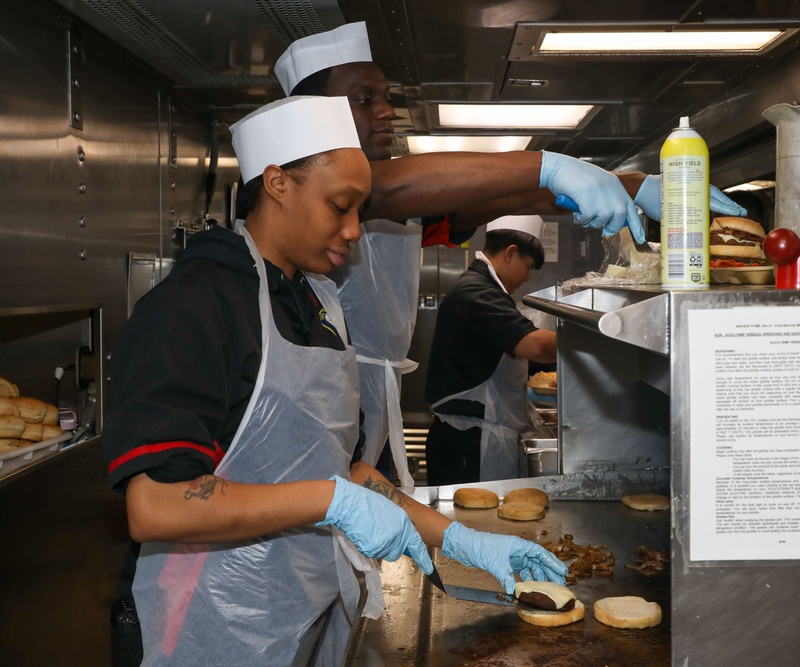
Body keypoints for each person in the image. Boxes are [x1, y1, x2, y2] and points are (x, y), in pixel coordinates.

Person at [102, 96, 566, 666]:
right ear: (277, 183)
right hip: (205, 623)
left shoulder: (315, 300)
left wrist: (461, 539)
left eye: (359, 211)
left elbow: (344, 469)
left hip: (299, 608)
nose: (352, 231)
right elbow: (157, 505)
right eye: (340, 206)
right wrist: (333, 501)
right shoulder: (196, 306)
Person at [272, 22, 749, 491]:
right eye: (364, 99)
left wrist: (631, 184)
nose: (386, 111)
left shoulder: (405, 203)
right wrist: (551, 165)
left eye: (386, 96)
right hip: (318, 404)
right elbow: (387, 190)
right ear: (317, 114)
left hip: (371, 402)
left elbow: (518, 197)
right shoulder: (339, 189)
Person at [423, 215, 554, 485]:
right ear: (511, 253)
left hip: (474, 439)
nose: (526, 278)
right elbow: (537, 346)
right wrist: (596, 337)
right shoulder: (478, 293)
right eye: (527, 267)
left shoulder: (483, 288)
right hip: (469, 445)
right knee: (472, 522)